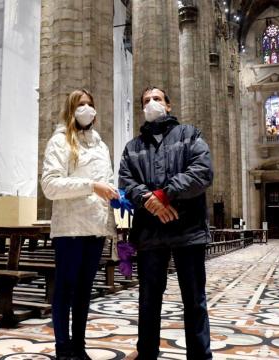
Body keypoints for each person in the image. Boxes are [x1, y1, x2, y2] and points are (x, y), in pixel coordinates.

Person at [119, 87, 214, 360]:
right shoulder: (132, 147)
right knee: (148, 300)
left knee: (194, 300)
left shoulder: (190, 134)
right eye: (146, 101)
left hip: (189, 230)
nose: (152, 103)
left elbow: (202, 171)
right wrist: (152, 201)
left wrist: (165, 194)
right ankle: (146, 354)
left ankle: (200, 356)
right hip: (150, 233)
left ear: (169, 105)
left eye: (157, 99)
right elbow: (126, 182)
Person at [41, 89, 119, 360]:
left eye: (90, 104)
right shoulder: (60, 141)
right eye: (80, 104)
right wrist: (91, 186)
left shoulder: (101, 144)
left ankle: (79, 347)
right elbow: (50, 185)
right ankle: (63, 348)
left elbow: (105, 182)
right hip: (70, 229)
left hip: (95, 228)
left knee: (85, 291)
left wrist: (113, 196)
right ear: (71, 109)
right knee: (65, 289)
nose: (86, 108)